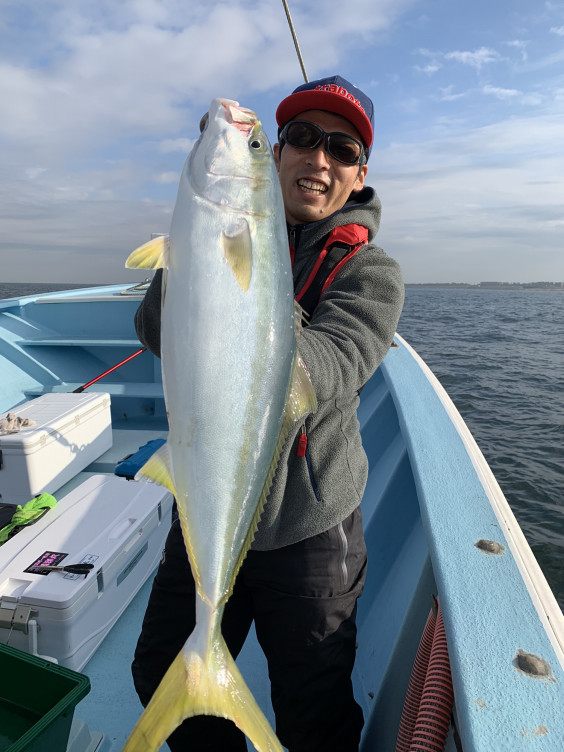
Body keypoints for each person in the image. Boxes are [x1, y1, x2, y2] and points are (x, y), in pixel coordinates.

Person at [131, 75, 404, 752]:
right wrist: (192, 260)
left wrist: (252, 283)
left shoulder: (373, 274)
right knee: (158, 668)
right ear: (278, 155)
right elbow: (154, 332)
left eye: (340, 149)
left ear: (359, 174)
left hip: (311, 530)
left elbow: (331, 365)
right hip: (209, 505)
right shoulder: (223, 233)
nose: (319, 160)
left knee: (313, 711)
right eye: (304, 140)